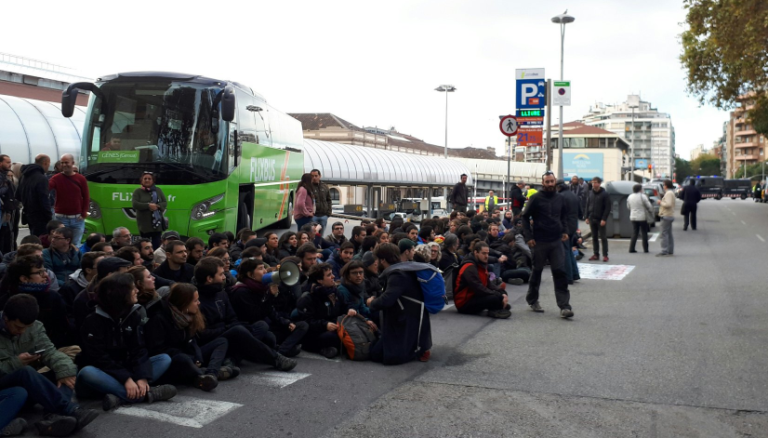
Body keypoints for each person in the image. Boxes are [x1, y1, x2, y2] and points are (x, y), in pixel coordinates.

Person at [0, 294, 100, 436]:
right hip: (5, 383)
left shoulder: (35, 327)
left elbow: (50, 352)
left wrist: (64, 370)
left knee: (64, 369)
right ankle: (69, 409)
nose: (21, 332)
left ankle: (53, 417)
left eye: (26, 328)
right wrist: (16, 362)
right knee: (25, 372)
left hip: (23, 385)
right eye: (18, 327)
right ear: (6, 318)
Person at [75, 273, 176, 411]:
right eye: (133, 288)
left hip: (125, 369)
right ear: (120, 293)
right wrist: (126, 379)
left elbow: (139, 349)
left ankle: (119, 397)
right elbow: (98, 358)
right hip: (103, 374)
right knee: (87, 372)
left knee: (164, 359)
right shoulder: (93, 320)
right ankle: (145, 395)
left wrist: (142, 377)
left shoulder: (133, 314)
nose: (137, 291)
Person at [194, 257, 297, 371]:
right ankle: (276, 359)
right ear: (209, 278)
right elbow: (202, 334)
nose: (224, 277)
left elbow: (232, 318)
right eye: (221, 274)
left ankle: (232, 359)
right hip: (212, 340)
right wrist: (229, 328)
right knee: (240, 330)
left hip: (228, 330)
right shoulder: (196, 299)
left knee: (262, 328)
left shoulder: (221, 294)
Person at [144, 283, 232, 393]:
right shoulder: (159, 318)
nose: (199, 303)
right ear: (184, 302)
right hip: (172, 360)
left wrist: (197, 357)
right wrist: (191, 357)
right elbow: (157, 349)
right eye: (195, 301)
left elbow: (192, 340)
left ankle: (211, 373)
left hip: (188, 355)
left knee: (221, 341)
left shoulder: (187, 315)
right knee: (183, 359)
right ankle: (201, 375)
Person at [229, 258, 308, 358]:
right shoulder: (241, 291)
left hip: (266, 324)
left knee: (301, 325)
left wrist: (285, 322)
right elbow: (255, 316)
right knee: (268, 335)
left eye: (264, 268)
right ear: (250, 274)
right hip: (250, 328)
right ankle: (279, 353)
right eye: (261, 269)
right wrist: (270, 296)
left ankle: (279, 351)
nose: (265, 271)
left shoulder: (261, 288)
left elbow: (270, 311)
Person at [367, 244, 432, 364]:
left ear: (383, 260)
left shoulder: (397, 274)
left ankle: (416, 351)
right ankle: (417, 349)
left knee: (378, 355)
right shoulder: (403, 268)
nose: (376, 263)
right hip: (409, 317)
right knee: (377, 351)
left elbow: (387, 299)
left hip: (405, 320)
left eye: (377, 260)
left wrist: (372, 302)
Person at [521, 171, 573, 318]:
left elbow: (564, 216)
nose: (550, 184)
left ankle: (564, 306)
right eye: (547, 182)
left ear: (555, 181)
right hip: (539, 241)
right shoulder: (535, 198)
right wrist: (528, 236)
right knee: (537, 271)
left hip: (556, 240)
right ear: (543, 183)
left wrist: (565, 230)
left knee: (560, 272)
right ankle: (532, 300)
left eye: (552, 181)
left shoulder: (560, 198)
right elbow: (524, 217)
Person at [0, 255, 74, 348]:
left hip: (49, 348)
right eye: (40, 272)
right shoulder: (7, 301)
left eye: (44, 271)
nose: (46, 275)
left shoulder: (52, 297)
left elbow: (63, 327)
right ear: (24, 278)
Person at [294, 263, 343, 358]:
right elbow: (306, 321)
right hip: (315, 333)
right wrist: (325, 324)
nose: (333, 276)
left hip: (334, 326)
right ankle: (320, 349)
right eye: (329, 275)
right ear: (319, 280)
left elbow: (342, 308)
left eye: (332, 273)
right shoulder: (308, 297)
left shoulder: (334, 291)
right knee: (331, 337)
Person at [72, 257, 132, 332]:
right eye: (124, 275)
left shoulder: (127, 292)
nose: (128, 278)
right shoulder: (86, 299)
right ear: (110, 275)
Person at [453, 242, 509, 318]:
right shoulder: (469, 267)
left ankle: (496, 307)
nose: (486, 256)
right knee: (495, 298)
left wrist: (501, 292)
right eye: (484, 253)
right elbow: (479, 288)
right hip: (464, 303)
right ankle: (494, 309)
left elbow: (488, 284)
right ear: (476, 252)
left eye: (487, 253)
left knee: (502, 294)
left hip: (475, 296)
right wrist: (498, 295)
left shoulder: (481, 263)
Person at [48, 154, 89, 246]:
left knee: (75, 244)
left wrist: (84, 213)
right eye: (62, 163)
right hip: (61, 218)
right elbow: (46, 188)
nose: (64, 165)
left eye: (66, 162)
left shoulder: (81, 179)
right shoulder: (56, 178)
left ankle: (73, 260)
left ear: (73, 163)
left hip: (77, 219)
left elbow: (86, 197)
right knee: (60, 243)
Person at [18, 154, 52, 237]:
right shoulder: (42, 178)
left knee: (34, 239)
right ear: (45, 163)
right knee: (42, 241)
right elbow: (44, 199)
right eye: (48, 164)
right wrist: (49, 216)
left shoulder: (24, 176)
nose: (48, 167)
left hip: (28, 215)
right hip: (41, 217)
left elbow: (18, 195)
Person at [336, 261, 377, 329]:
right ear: (348, 275)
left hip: (359, 317)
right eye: (354, 273)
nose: (358, 275)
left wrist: (375, 309)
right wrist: (366, 320)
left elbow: (361, 307)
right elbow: (346, 311)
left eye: (361, 272)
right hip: (349, 321)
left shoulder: (359, 285)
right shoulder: (343, 290)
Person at [132, 172, 167, 249]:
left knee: (156, 246)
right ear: (141, 181)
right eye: (145, 179)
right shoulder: (138, 191)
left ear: (153, 180)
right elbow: (135, 204)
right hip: (144, 225)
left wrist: (157, 206)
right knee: (145, 246)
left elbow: (164, 202)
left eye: (149, 179)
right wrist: (148, 206)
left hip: (157, 225)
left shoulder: (158, 190)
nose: (147, 180)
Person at [556, 180, 581, 284]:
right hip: (573, 226)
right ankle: (575, 274)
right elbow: (580, 213)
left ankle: (568, 277)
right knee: (569, 250)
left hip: (564, 227)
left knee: (565, 252)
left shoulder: (560, 197)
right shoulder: (574, 195)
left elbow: (557, 213)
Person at [585, 176, 611, 262]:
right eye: (592, 182)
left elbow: (607, 207)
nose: (593, 184)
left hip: (600, 219)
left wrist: (604, 219)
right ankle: (596, 254)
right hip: (592, 218)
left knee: (603, 237)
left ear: (599, 183)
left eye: (595, 182)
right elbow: (587, 205)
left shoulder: (604, 194)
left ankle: (605, 255)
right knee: (594, 237)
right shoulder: (590, 193)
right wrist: (586, 217)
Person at [627, 184, 654, 253]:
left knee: (635, 232)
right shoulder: (643, 196)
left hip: (633, 216)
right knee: (644, 232)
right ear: (640, 189)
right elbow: (649, 206)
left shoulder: (630, 196)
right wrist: (651, 212)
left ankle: (631, 248)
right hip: (642, 217)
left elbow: (628, 206)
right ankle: (645, 249)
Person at [657, 180, 676, 257]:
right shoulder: (671, 193)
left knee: (664, 233)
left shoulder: (668, 193)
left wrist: (660, 202)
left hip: (666, 215)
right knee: (668, 233)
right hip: (670, 215)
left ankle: (664, 250)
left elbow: (668, 204)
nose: (663, 186)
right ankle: (670, 250)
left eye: (664, 185)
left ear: (666, 186)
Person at [310, 169, 332, 234]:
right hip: (313, 216)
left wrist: (328, 213)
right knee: (313, 234)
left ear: (320, 176)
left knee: (321, 234)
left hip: (324, 215)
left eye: (316, 176)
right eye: (312, 176)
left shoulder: (325, 186)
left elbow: (329, 200)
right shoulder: (309, 187)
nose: (314, 178)